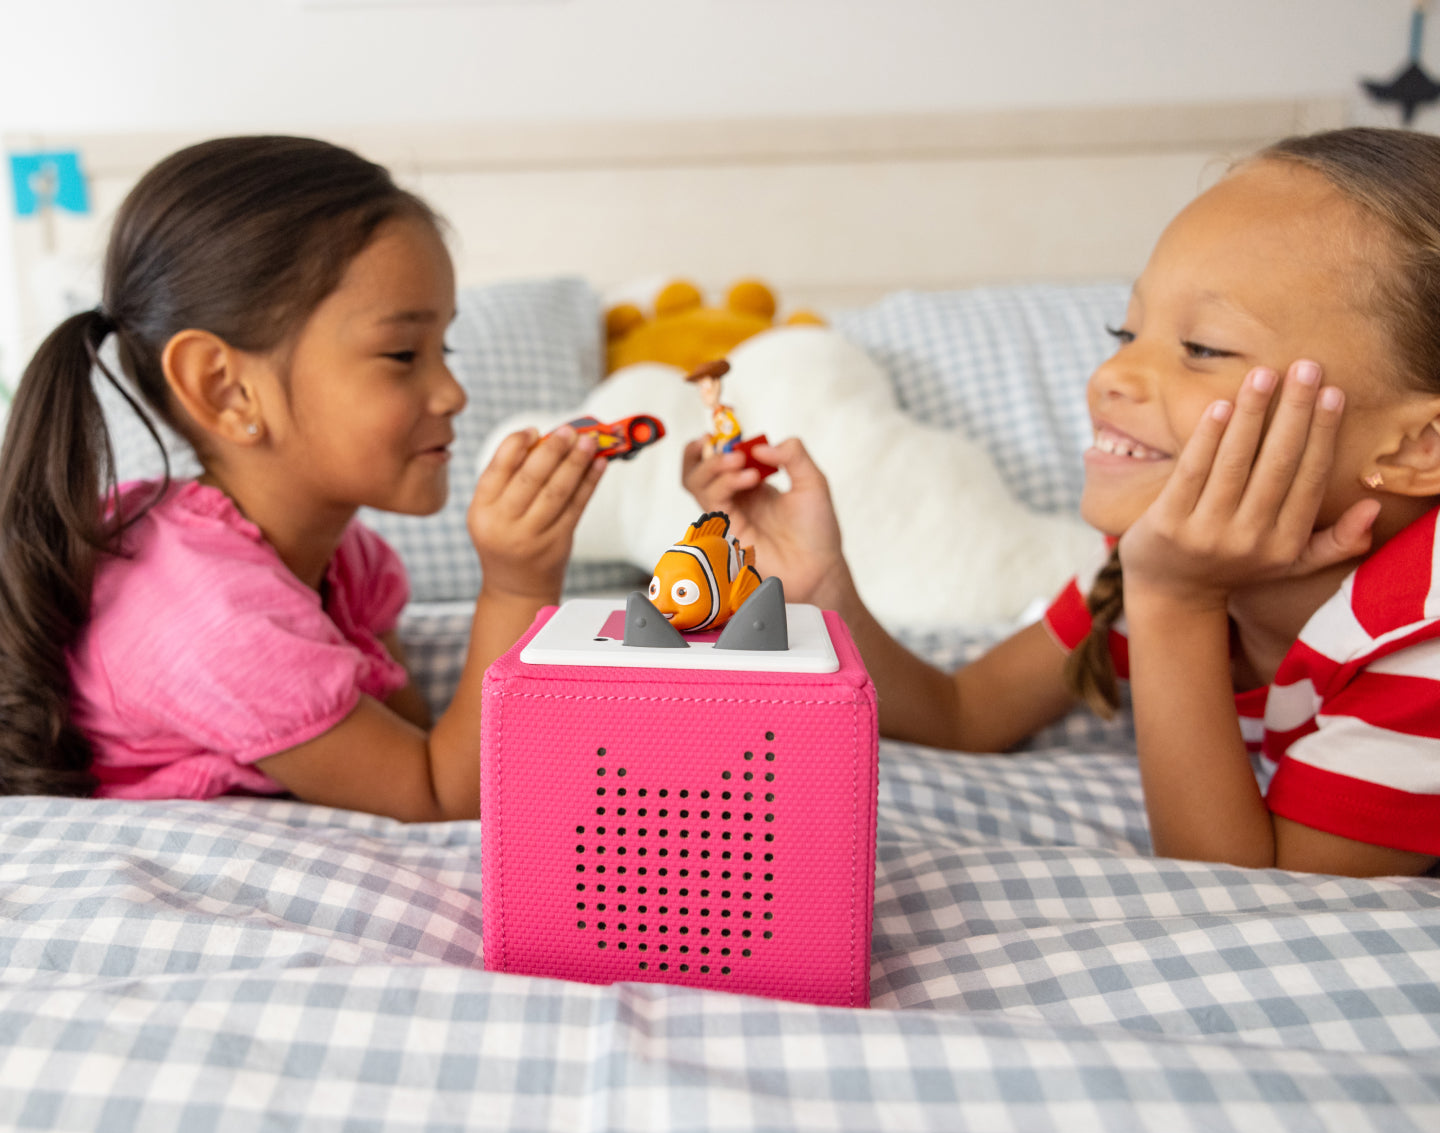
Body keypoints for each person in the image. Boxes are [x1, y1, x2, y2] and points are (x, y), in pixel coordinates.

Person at [683, 127, 1440, 879]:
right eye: (1127, 330)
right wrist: (823, 587)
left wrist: (1174, 601)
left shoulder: (1418, 640)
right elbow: (965, 714)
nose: (1112, 374)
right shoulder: (1156, 554)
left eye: (1204, 347)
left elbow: (1259, 897)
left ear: (1415, 447)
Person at [0, 136, 605, 820]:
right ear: (226, 389)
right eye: (403, 353)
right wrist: (517, 584)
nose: (452, 393)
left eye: (446, 348)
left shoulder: (352, 563)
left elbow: (417, 748)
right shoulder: (217, 618)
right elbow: (443, 797)